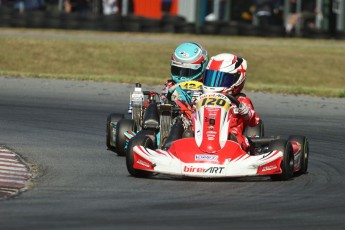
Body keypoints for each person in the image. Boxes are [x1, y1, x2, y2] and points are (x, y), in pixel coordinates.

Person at [202, 53, 260, 152]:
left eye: (221, 79)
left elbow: (254, 121)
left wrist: (246, 113)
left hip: (233, 139)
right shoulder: (202, 98)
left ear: (237, 79)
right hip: (204, 135)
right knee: (188, 133)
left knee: (231, 138)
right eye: (211, 77)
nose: (214, 83)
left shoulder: (241, 101)